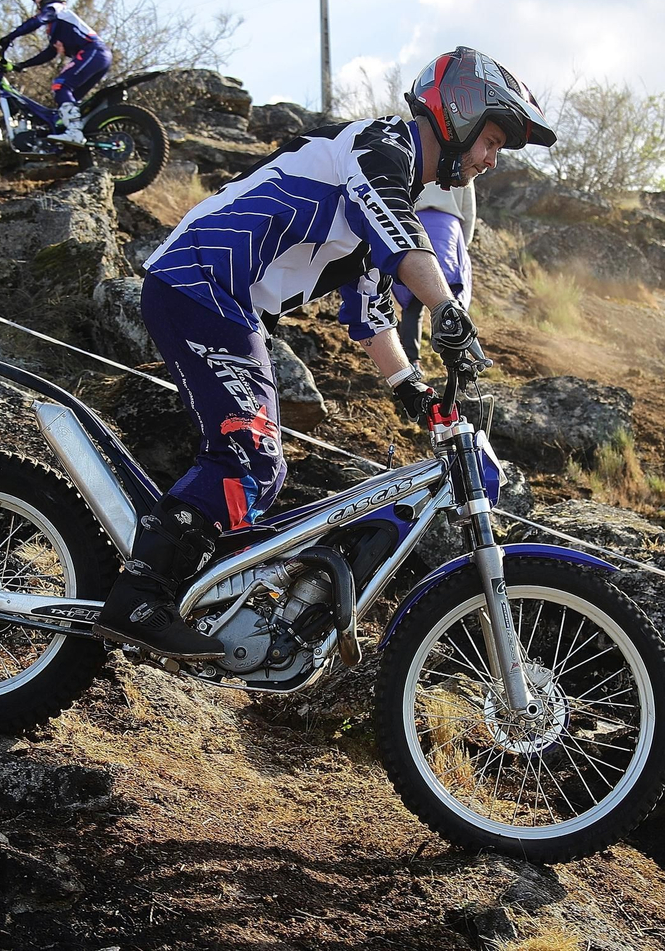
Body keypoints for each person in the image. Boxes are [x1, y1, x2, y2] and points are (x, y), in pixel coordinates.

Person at [92, 46, 556, 660]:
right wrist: (448, 312)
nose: (493, 159)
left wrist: (412, 392)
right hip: (198, 279)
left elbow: (370, 317)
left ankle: (188, 587)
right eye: (492, 140)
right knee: (251, 453)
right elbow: (401, 237)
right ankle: (140, 597)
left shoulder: (393, 193)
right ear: (460, 114)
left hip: (224, 300)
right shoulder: (382, 146)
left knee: (261, 465)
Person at [0, 0, 110, 146]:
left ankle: (74, 133)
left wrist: (10, 37)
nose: (36, 4)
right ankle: (75, 134)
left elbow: (37, 21)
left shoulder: (57, 9)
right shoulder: (58, 24)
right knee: (67, 101)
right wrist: (20, 65)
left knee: (60, 85)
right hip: (96, 56)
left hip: (93, 51)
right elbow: (50, 53)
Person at [395, 179, 476, 364]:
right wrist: (464, 244)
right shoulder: (465, 166)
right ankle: (457, 359)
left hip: (416, 224)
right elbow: (469, 211)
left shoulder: (420, 160)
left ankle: (411, 361)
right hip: (449, 229)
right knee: (451, 299)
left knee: (413, 299)